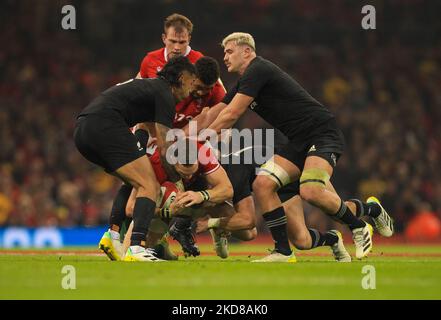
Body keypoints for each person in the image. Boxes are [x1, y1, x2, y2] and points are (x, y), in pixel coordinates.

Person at [205, 32, 394, 261]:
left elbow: (232, 113)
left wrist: (202, 139)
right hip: (298, 142)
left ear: (247, 51)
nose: (225, 57)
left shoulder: (258, 69)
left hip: (321, 134)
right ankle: (284, 251)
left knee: (311, 192)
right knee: (263, 184)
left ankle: (359, 227)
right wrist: (186, 134)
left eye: (229, 51)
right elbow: (215, 111)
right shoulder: (245, 81)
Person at [74, 56, 197, 262]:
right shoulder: (165, 94)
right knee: (149, 185)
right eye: (192, 83)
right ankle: (137, 248)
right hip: (106, 125)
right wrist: (178, 181)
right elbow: (165, 148)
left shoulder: (150, 88)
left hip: (83, 130)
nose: (192, 90)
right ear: (182, 78)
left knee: (134, 181)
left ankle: (112, 236)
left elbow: (149, 130)